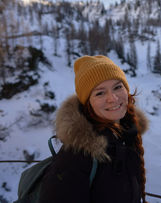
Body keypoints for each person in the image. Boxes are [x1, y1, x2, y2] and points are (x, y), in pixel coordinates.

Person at [39, 55, 148, 203]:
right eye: (100, 93)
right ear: (88, 104)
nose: (113, 98)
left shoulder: (124, 136)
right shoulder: (76, 158)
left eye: (117, 87)